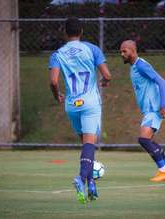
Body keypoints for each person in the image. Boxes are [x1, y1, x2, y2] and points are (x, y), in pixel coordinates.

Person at [49, 17, 111, 203]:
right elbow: (107, 74)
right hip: (90, 103)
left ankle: (91, 184)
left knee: (85, 145)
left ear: (65, 33)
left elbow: (53, 81)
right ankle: (81, 179)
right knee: (89, 144)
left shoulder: (57, 54)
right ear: (81, 31)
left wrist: (56, 95)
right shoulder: (92, 49)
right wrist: (105, 81)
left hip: (71, 104)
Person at [120, 40, 165, 182]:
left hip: (153, 109)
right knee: (148, 140)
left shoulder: (141, 65)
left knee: (144, 139)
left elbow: (162, 81)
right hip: (149, 110)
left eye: (124, 51)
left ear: (133, 50)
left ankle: (163, 171)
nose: (122, 54)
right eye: (121, 51)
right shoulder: (134, 67)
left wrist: (162, 105)